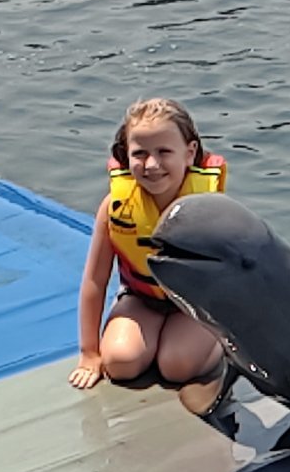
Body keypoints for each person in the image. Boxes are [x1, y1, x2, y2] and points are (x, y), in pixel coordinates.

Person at [68, 98, 230, 412]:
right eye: (140, 154)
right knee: (121, 362)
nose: (151, 165)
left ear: (190, 152)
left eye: (164, 152)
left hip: (195, 308)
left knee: (177, 366)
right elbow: (94, 281)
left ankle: (215, 346)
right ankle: (149, 337)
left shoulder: (211, 209)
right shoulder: (114, 208)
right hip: (141, 299)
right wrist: (90, 353)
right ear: (125, 156)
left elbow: (240, 280)